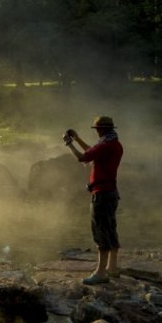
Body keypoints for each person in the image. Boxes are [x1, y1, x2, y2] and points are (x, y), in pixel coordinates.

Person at [63, 116, 123, 285]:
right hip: (111, 192)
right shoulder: (113, 144)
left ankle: (100, 273)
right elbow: (92, 151)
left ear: (102, 130)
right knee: (110, 229)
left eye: (97, 129)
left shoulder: (105, 145)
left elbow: (83, 157)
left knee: (101, 232)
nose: (96, 131)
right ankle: (112, 268)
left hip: (102, 195)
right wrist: (77, 138)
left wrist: (69, 144)